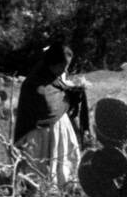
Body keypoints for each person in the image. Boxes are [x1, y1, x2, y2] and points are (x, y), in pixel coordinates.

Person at [13, 44, 86, 189]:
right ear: (51, 64)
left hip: (60, 131)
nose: (65, 70)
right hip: (38, 135)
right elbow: (46, 106)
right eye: (62, 66)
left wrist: (73, 92)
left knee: (63, 165)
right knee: (39, 170)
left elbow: (59, 95)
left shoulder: (56, 80)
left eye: (67, 66)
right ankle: (38, 195)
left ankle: (66, 189)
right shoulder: (32, 84)